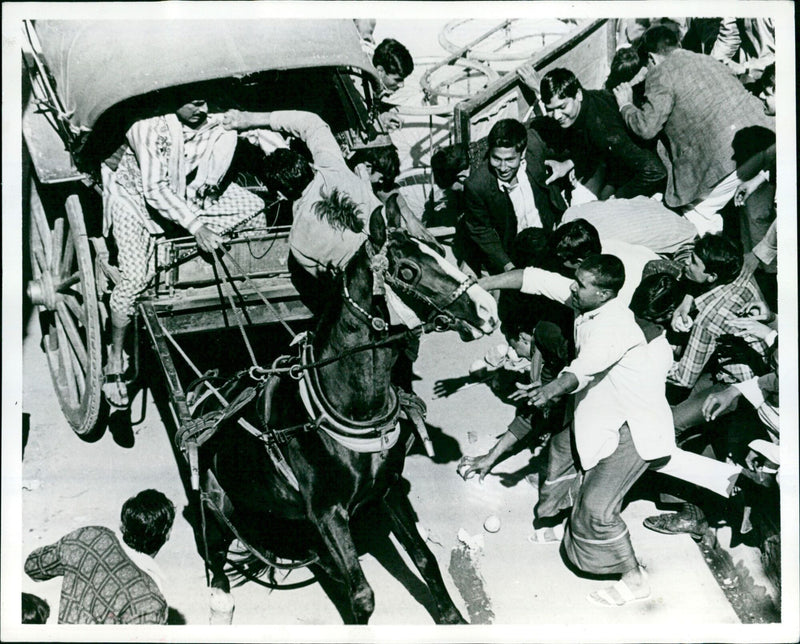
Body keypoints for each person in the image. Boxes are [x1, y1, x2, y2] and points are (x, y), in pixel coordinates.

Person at [475, 254, 675, 606]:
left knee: (596, 508)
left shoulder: (615, 328)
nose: (572, 287)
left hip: (635, 428)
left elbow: (581, 370)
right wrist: (479, 285)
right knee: (560, 453)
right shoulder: (588, 300)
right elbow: (533, 277)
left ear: (603, 294)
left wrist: (547, 390)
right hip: (601, 410)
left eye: (580, 284)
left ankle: (633, 578)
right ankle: (564, 523)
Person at [102, 89, 285, 410]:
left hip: (190, 193)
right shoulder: (149, 126)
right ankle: (115, 358)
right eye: (195, 103)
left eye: (205, 101)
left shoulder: (216, 111)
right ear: (174, 98)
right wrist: (198, 228)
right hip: (137, 202)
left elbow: (258, 131)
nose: (203, 108)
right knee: (134, 281)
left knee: (254, 208)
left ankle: (237, 299)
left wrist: (286, 159)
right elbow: (155, 190)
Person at [613, 25, 775, 236]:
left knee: (695, 216)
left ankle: (712, 254)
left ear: (651, 57)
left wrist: (626, 105)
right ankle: (760, 257)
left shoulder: (661, 72)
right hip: (767, 140)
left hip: (729, 161)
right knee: (755, 213)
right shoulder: (706, 59)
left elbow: (647, 128)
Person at [24, 490, 175, 624]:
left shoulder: (89, 537)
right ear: (167, 534)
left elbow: (32, 567)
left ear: (122, 525)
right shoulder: (150, 603)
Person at [528, 67, 666, 200]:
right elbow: (588, 140)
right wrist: (568, 164)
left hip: (652, 164)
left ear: (578, 95)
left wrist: (618, 198)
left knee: (601, 201)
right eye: (550, 110)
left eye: (562, 107)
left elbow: (655, 171)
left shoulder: (603, 128)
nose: (557, 116)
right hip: (618, 157)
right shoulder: (587, 101)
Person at [462, 118, 566, 275]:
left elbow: (574, 147)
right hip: (516, 254)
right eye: (496, 159)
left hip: (551, 237)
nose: (503, 168)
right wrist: (508, 266)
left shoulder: (535, 147)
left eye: (510, 159)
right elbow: (480, 229)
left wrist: (567, 165)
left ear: (522, 153)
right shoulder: (476, 185)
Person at [667, 233, 769, 391]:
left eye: (693, 262)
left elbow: (683, 379)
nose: (687, 262)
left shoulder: (708, 319)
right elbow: (697, 267)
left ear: (712, 277)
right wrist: (688, 298)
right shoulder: (739, 270)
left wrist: (655, 358)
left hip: (740, 384)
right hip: (767, 359)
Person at [371, 38, 415, 131]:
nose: (401, 85)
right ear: (380, 71)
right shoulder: (362, 90)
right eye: (397, 80)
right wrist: (380, 120)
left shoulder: (374, 86)